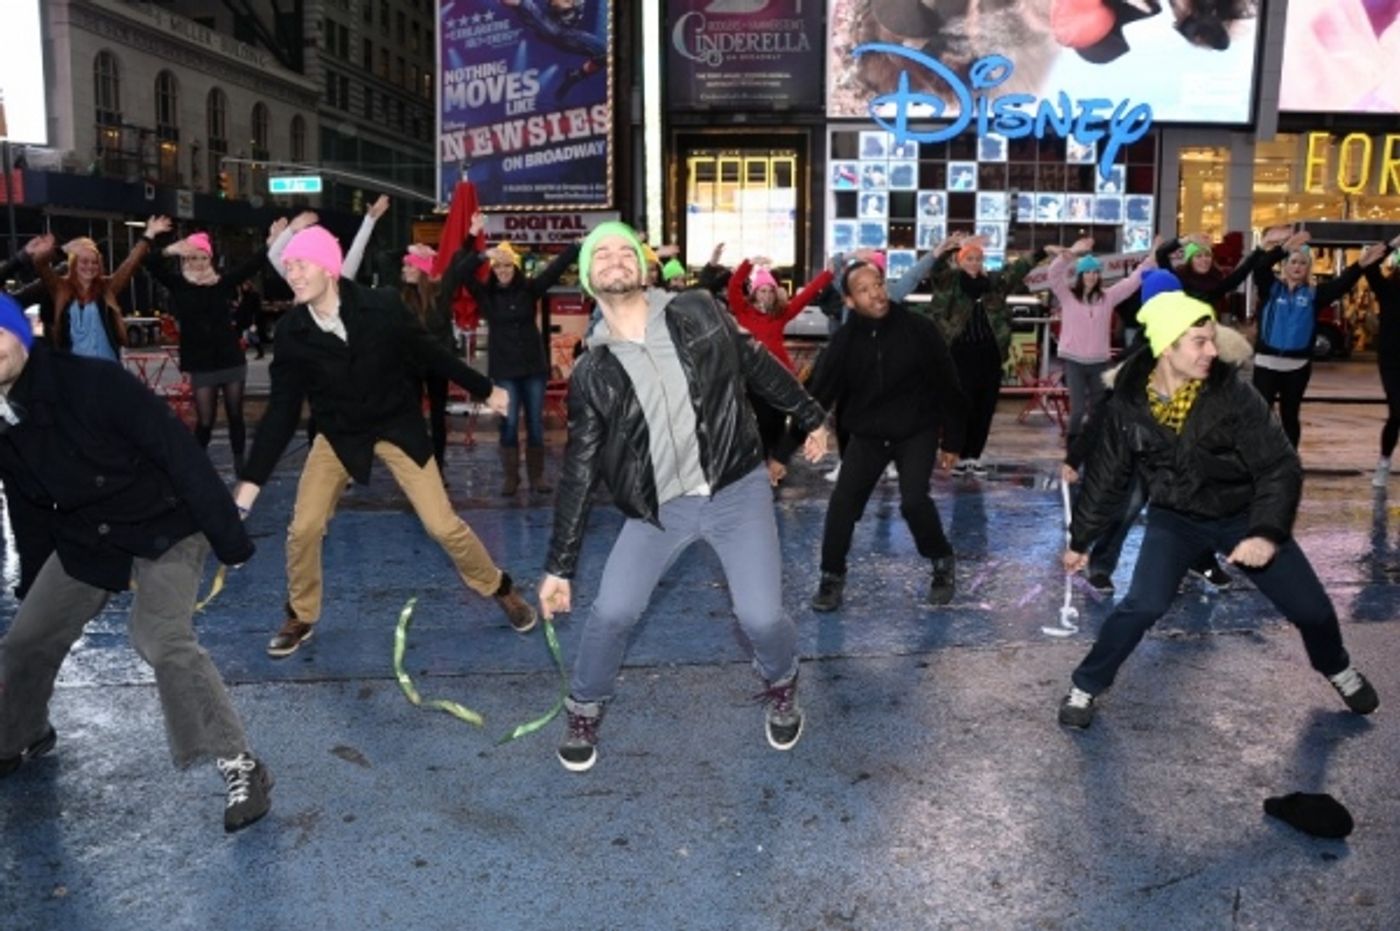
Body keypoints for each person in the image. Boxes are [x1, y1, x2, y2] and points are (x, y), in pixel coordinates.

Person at [536, 221, 829, 773]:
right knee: (611, 611)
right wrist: (559, 566)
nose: (617, 259)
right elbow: (580, 468)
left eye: (628, 249)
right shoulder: (592, 371)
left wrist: (810, 415)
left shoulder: (695, 309)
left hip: (735, 490)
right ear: (588, 279)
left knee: (761, 618)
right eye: (604, 254)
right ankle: (584, 708)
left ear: (646, 267)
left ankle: (782, 679)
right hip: (659, 507)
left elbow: (755, 364)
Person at [0, 294, 270, 832]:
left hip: (162, 523)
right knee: (26, 639)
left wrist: (229, 539)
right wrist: (34, 582)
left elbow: (177, 450)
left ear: (21, 334)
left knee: (158, 637)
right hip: (88, 538)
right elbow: (26, 504)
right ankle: (21, 734)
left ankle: (241, 763)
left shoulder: (93, 382)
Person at [1057, 291, 1380, 728]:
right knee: (1142, 605)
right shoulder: (1126, 406)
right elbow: (1106, 478)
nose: (1212, 350)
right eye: (1199, 341)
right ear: (1166, 346)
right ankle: (1085, 686)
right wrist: (1081, 541)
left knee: (1312, 610)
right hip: (1176, 519)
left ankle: (1336, 666)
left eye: (1212, 340)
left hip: (1242, 515)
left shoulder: (1233, 395)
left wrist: (1266, 533)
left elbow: (1279, 466)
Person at [233, 225, 536, 658]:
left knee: (442, 524)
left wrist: (486, 389)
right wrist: (250, 483)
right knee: (304, 527)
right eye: (288, 267)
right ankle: (301, 614)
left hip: (396, 425)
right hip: (338, 433)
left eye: (301, 264)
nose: (292, 274)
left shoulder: (381, 307)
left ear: (329, 269)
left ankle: (499, 586)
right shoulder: (291, 332)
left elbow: (430, 352)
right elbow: (281, 412)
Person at [806, 258, 967, 612]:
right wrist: (782, 450)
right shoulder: (845, 340)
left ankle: (941, 561)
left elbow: (948, 386)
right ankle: (831, 577)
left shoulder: (919, 329)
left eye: (878, 284)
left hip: (916, 430)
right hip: (867, 435)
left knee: (913, 501)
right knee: (843, 502)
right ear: (849, 301)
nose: (876, 293)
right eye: (864, 290)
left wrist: (954, 440)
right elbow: (821, 391)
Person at [1062, 270, 1235, 594]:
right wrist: (1076, 455)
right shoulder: (1139, 356)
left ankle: (1201, 560)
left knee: (1193, 503)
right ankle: (1101, 565)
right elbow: (1104, 412)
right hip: (1141, 449)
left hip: (1184, 446)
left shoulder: (1201, 347)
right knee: (1127, 505)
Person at [456, 211, 580, 496]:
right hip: (505, 371)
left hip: (533, 367)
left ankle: (537, 477)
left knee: (535, 424)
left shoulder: (530, 289)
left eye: (507, 267)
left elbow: (554, 270)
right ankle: (511, 478)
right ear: (492, 270)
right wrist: (481, 254)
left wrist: (574, 247)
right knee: (509, 423)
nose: (502, 271)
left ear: (515, 268)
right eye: (498, 268)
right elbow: (461, 272)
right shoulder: (485, 296)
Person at [149, 230, 267, 474]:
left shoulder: (222, 282)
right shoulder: (178, 284)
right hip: (201, 362)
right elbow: (150, 263)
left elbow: (252, 265)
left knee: (235, 414)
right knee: (205, 420)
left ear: (210, 259)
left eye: (203, 257)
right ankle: (192, 466)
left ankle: (240, 465)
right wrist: (170, 249)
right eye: (193, 258)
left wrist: (272, 242)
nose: (199, 263)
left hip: (230, 358)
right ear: (185, 260)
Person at [923, 233, 1042, 475]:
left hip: (989, 354)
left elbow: (1017, 270)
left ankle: (973, 456)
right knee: (960, 407)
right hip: (959, 354)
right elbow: (935, 270)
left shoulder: (994, 285)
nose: (975, 263)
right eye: (970, 258)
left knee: (984, 407)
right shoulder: (950, 282)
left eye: (978, 259)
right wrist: (948, 247)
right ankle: (956, 453)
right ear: (961, 260)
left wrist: (1042, 252)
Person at [1250, 235, 1381, 447]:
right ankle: (1260, 461)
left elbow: (1341, 284)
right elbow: (1261, 268)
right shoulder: (1270, 289)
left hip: (1297, 367)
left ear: (1308, 268)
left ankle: (1290, 462)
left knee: (1290, 416)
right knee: (1260, 416)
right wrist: (1282, 249)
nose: (1297, 266)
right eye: (1293, 262)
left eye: (1302, 263)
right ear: (1285, 266)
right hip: (1266, 364)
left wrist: (1360, 265)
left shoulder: (1314, 294)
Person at [727, 257, 834, 484]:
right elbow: (733, 287)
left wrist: (827, 275)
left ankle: (774, 465)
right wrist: (748, 264)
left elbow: (806, 296)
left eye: (769, 291)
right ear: (754, 293)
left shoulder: (780, 313)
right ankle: (760, 464)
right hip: (750, 378)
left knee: (775, 425)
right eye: (761, 290)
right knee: (756, 424)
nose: (765, 295)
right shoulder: (742, 312)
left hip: (778, 379)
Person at [1045, 236, 1151, 446]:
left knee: (1099, 409)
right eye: (1087, 272)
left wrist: (1153, 257)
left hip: (1099, 363)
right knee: (1077, 412)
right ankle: (1073, 446)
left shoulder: (1108, 297)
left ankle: (1095, 445)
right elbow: (1054, 274)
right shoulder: (1068, 296)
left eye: (1095, 272)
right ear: (1080, 275)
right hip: (1074, 362)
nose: (1091, 276)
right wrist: (1072, 253)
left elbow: (1132, 282)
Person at [33, 216, 172, 360]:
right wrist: (62, 249)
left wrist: (149, 234)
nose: (90, 267)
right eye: (84, 262)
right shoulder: (60, 287)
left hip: (107, 366)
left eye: (95, 263)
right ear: (73, 264)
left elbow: (130, 264)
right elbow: (39, 263)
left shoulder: (107, 288)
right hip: (73, 369)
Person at [400, 242, 456, 475]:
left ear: (421, 270)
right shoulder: (402, 296)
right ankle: (416, 468)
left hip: (436, 364)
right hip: (411, 365)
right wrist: (413, 248)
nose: (404, 270)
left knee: (437, 417)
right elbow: (383, 258)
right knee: (412, 417)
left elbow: (459, 266)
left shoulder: (439, 295)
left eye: (410, 266)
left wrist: (433, 256)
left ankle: (438, 468)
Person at [1363, 234, 1400, 487]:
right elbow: (1368, 265)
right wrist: (1391, 245)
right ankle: (1384, 462)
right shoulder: (1388, 288)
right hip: (1393, 359)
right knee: (1397, 411)